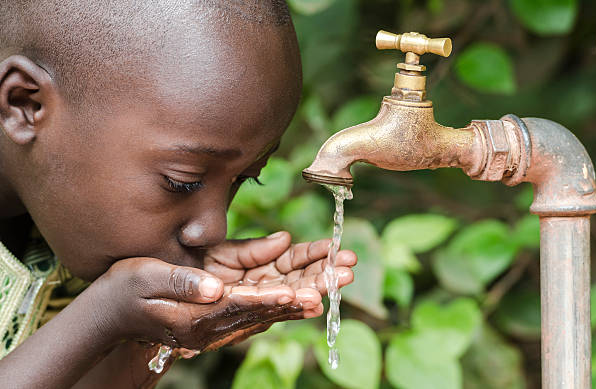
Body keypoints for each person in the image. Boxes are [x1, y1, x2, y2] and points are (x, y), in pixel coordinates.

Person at [0, 1, 357, 388]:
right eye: (181, 181)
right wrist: (101, 315)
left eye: (245, 178)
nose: (213, 230)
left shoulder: (68, 235)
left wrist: (150, 331)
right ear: (25, 104)